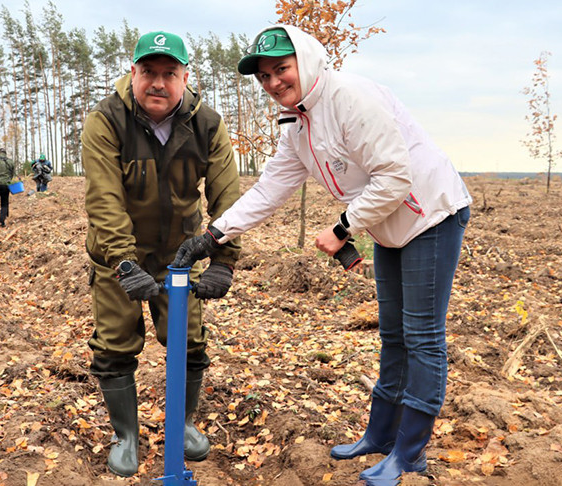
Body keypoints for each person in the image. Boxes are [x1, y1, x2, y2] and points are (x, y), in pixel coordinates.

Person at [173, 25, 472, 485]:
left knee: (422, 337)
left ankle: (410, 455)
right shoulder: (297, 122)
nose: (273, 82)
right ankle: (380, 435)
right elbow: (271, 187)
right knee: (393, 334)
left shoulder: (350, 98)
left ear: (306, 62)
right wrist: (214, 235)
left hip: (429, 215)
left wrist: (342, 229)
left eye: (281, 69)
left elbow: (395, 177)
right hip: (389, 224)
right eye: (264, 76)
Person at [80, 30, 242, 477]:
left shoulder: (206, 123)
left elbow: (228, 194)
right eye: (148, 71)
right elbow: (103, 198)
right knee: (114, 345)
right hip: (118, 257)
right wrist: (124, 261)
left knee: (188, 342)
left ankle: (184, 423)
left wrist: (224, 259)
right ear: (132, 73)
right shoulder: (106, 120)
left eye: (169, 73)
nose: (157, 82)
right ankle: (126, 435)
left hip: (180, 255)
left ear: (185, 77)